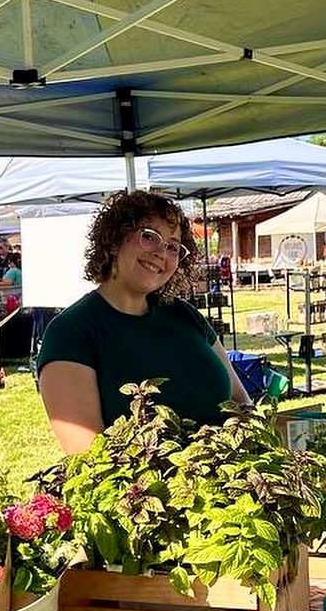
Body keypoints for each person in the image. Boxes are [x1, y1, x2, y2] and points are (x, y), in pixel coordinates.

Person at [36, 190, 250, 454]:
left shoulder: (186, 315)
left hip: (235, 473)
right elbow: (90, 457)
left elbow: (242, 404)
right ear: (114, 240)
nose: (161, 252)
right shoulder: (71, 332)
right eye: (149, 236)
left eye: (173, 246)